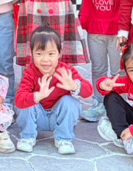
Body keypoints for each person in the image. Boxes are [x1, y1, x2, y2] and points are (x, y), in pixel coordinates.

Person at [78, 0, 130, 122]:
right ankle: (99, 104)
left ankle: (119, 106)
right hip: (95, 29)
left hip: (117, 31)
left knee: (118, 71)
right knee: (98, 69)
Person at [14, 26, 93, 155]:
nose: (45, 59)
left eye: (51, 54)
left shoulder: (66, 71)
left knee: (71, 102)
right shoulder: (30, 73)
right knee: (25, 101)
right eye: (39, 54)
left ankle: (64, 138)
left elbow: (89, 91)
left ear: (59, 53)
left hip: (58, 117)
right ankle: (27, 137)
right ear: (32, 54)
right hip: (38, 118)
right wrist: (37, 96)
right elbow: (19, 101)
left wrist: (74, 86)